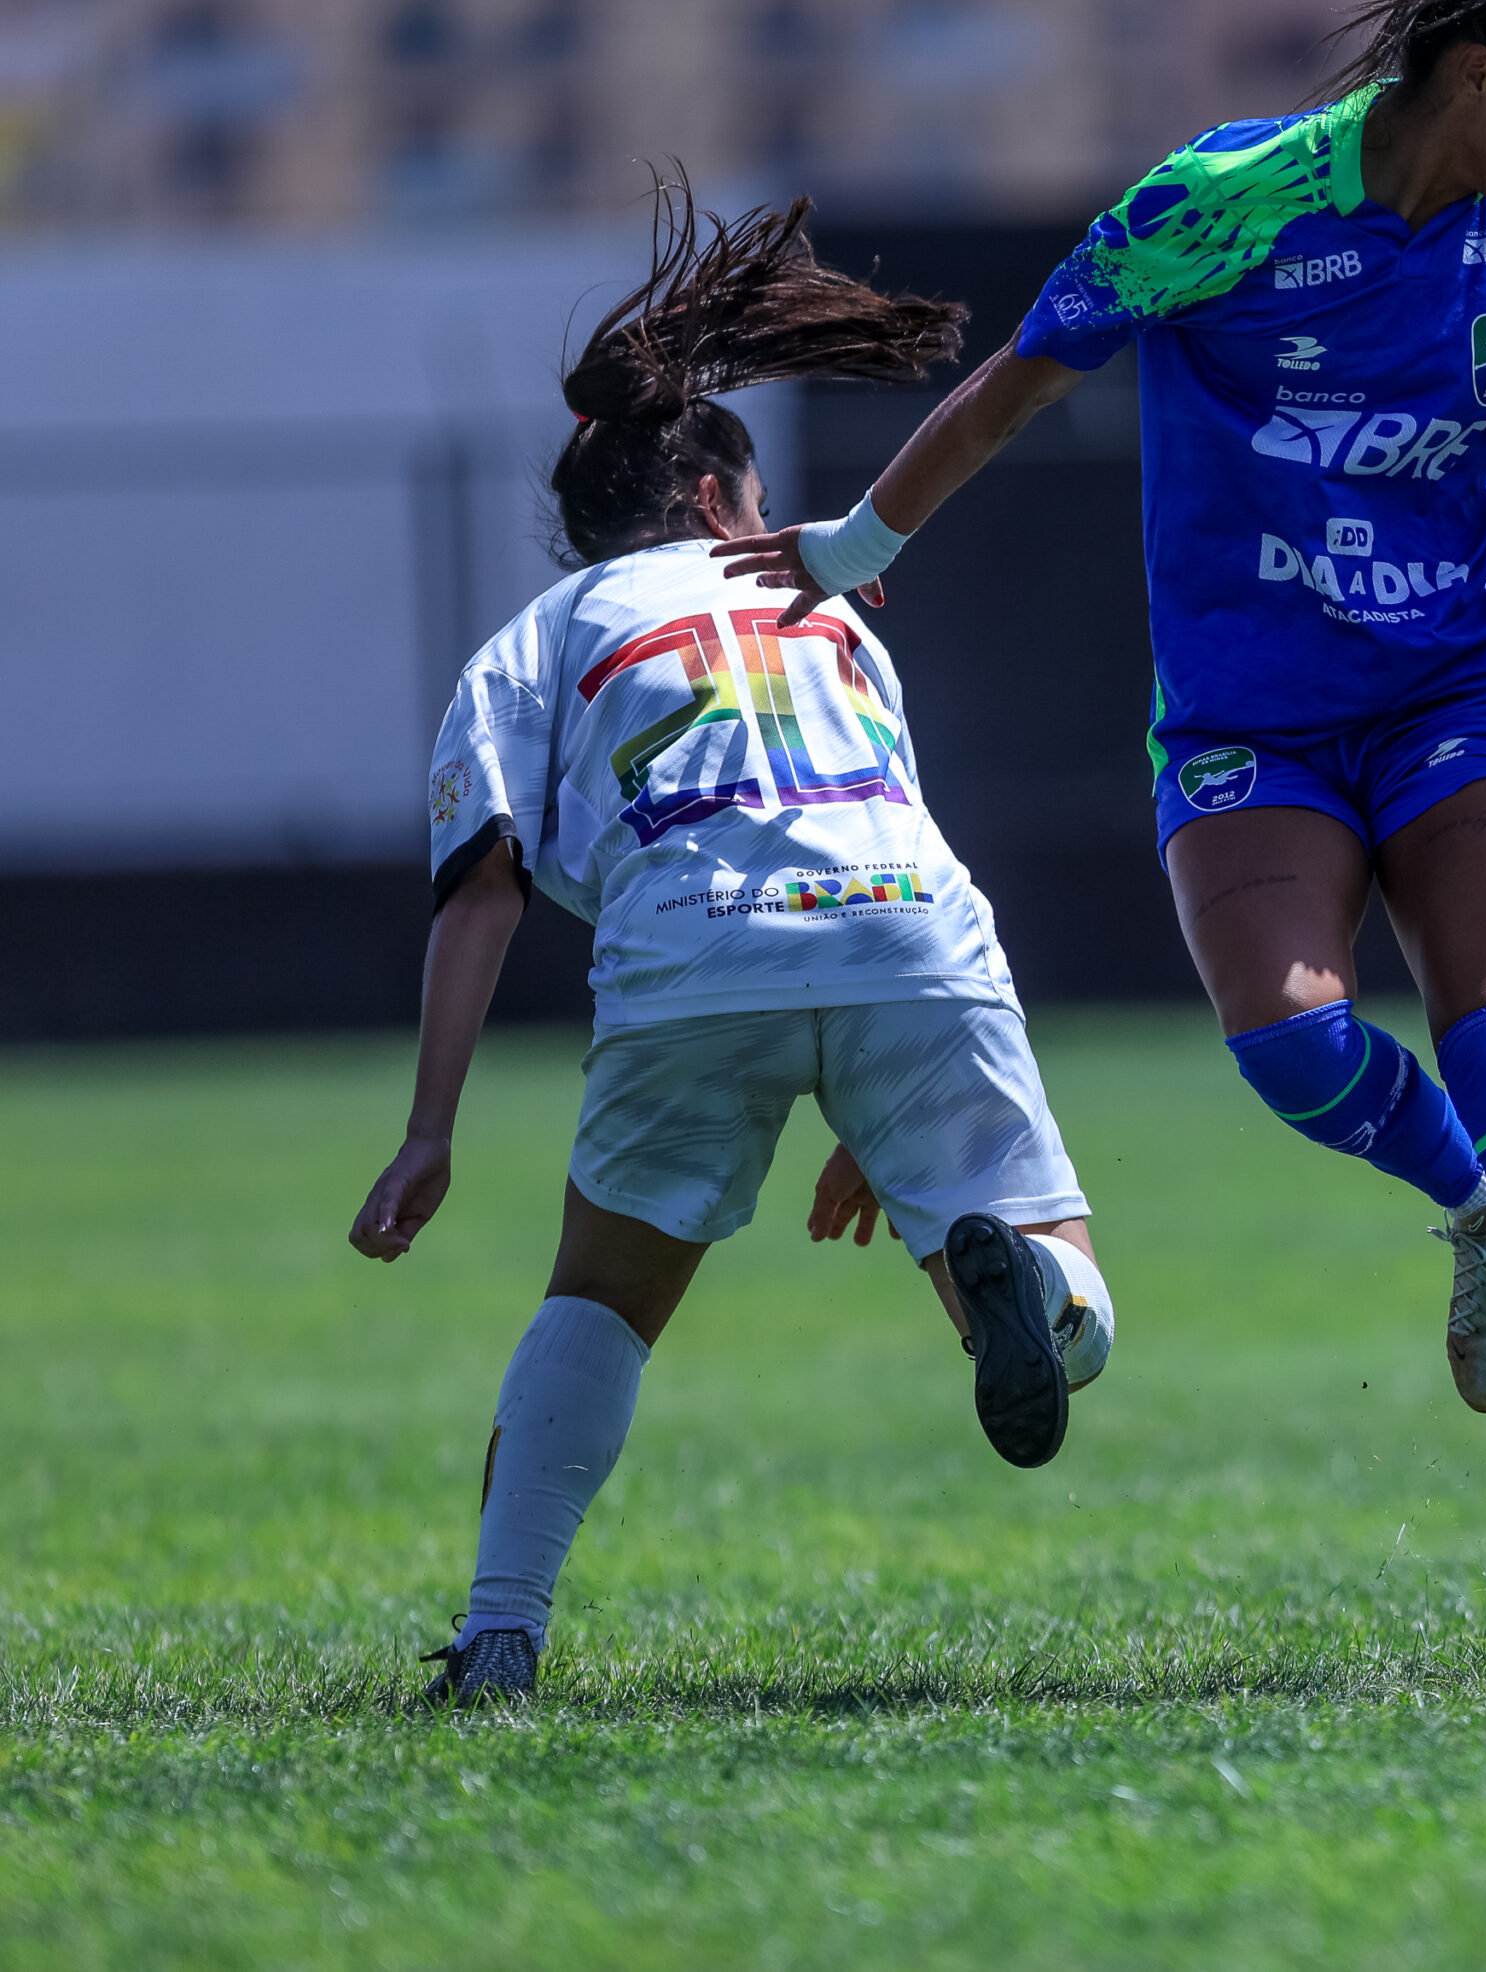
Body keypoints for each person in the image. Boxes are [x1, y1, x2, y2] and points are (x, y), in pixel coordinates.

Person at [719, 0, 1486, 1676]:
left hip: (1457, 692)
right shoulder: (1223, 202)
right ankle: (1474, 1207)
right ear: (1477, 78)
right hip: (1248, 718)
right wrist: (849, 552)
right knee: (1292, 1043)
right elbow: (1015, 385)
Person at [348, 183, 1116, 1706]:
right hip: (906, 938)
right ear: (716, 500)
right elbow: (874, 821)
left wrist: (429, 1132)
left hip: (692, 956)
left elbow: (484, 885)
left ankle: (501, 1633)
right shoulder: (836, 614)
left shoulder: (537, 639)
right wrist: (870, 1099)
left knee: (599, 1306)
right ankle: (1041, 1298)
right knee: (1050, 1262)